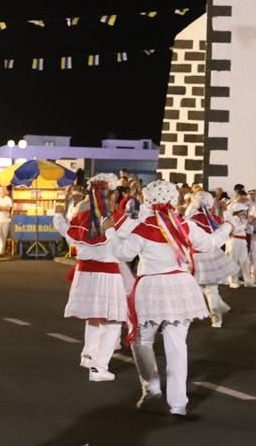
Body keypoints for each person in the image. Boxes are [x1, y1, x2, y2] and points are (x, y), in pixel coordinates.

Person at [107, 179, 222, 416]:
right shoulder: (185, 226)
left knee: (142, 340)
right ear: (174, 200)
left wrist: (112, 228)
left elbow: (122, 253)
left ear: (148, 200)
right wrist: (229, 226)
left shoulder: (143, 226)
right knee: (178, 346)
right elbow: (211, 243)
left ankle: (152, 387)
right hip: (180, 286)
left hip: (151, 287)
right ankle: (178, 404)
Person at [64, 174, 129, 380]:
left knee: (93, 316)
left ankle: (88, 355)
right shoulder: (117, 218)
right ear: (113, 193)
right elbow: (127, 250)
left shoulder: (82, 216)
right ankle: (99, 368)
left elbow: (69, 237)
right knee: (113, 321)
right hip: (107, 275)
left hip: (85, 274)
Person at [184, 188, 235, 328]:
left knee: (200, 286)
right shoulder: (213, 219)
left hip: (196, 256)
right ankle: (218, 312)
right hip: (211, 255)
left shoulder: (190, 220)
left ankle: (216, 316)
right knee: (211, 288)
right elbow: (226, 231)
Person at [0, 185, 16, 257]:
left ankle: (1, 252)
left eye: (4, 189)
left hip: (5, 220)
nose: (3, 190)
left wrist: (0, 207)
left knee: (3, 236)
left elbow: (8, 209)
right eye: (2, 189)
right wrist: (3, 208)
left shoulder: (8, 199)